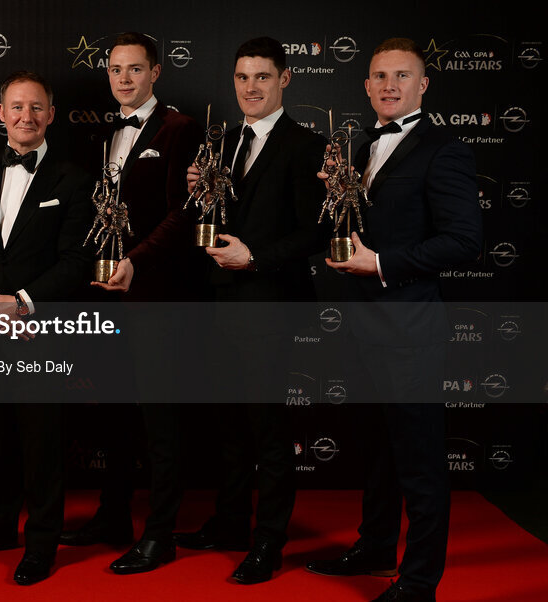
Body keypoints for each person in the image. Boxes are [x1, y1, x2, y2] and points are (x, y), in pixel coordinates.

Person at [305, 38, 482, 602]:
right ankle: (377, 547)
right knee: (377, 452)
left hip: (409, 331)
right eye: (379, 76)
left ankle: (420, 581)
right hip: (360, 327)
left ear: (422, 85)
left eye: (401, 76)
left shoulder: (443, 149)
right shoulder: (358, 149)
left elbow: (464, 241)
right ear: (365, 85)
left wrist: (380, 263)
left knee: (421, 463)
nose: (389, 85)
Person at [174, 36, 327, 585]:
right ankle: (231, 523)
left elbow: (319, 230)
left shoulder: (309, 146)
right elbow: (216, 216)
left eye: (262, 77)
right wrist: (199, 190)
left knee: (267, 429)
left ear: (285, 79)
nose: (251, 87)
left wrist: (255, 256)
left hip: (270, 306)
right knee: (229, 425)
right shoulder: (224, 143)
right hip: (219, 303)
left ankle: (270, 541)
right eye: (242, 78)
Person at [57, 32, 205, 575]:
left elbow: (185, 211)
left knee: (160, 420)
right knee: (114, 413)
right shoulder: (99, 135)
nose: (123, 79)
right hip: (104, 295)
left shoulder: (181, 129)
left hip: (157, 296)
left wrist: (136, 261)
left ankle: (160, 533)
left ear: (156, 72)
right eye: (116, 69)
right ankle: (113, 514)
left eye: (135, 69)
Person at [0, 71, 93, 585]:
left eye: (36, 108)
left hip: (41, 332)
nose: (25, 117)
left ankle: (42, 543)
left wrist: (23, 303)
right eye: (16, 107)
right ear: (0, 114)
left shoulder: (72, 179)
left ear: (50, 115)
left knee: (42, 444)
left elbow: (77, 259)